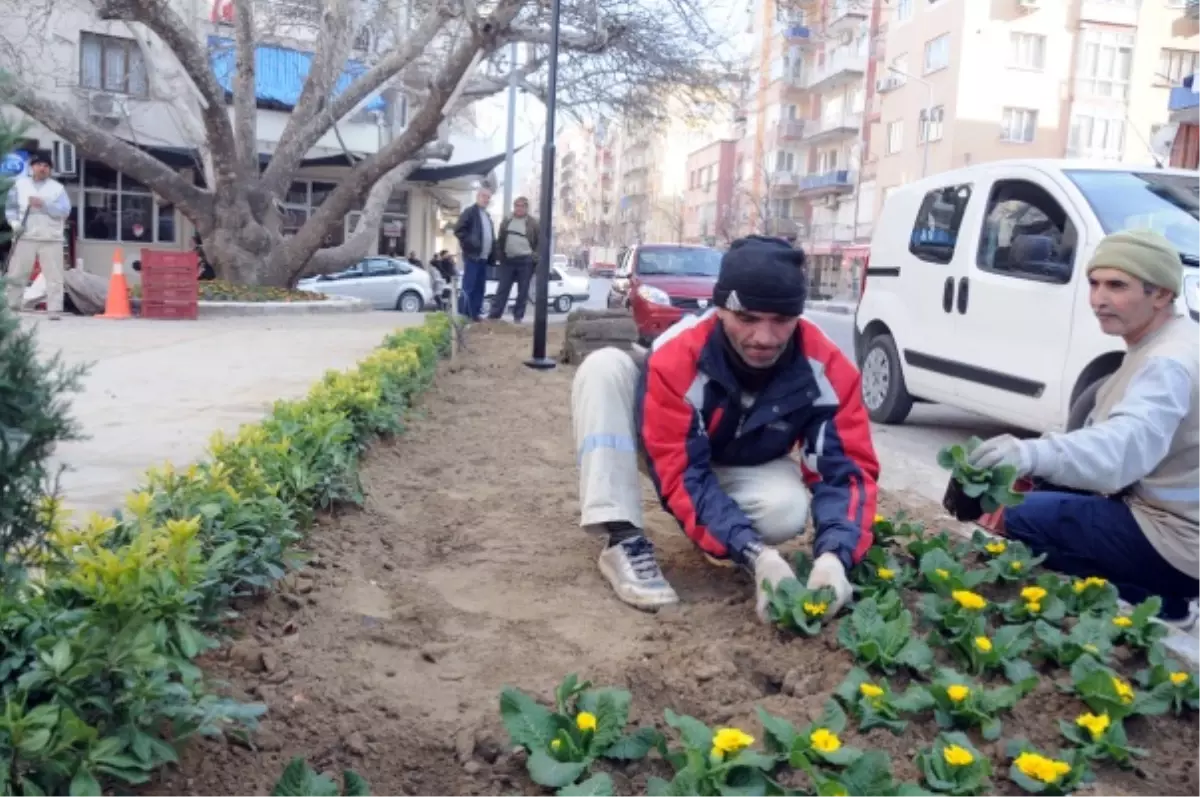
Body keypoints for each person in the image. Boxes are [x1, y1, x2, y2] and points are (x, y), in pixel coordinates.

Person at [570, 235, 880, 621]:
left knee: (786, 511)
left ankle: (720, 531)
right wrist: (756, 555)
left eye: (781, 321)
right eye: (747, 318)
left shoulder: (827, 368)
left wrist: (836, 557)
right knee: (603, 368)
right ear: (720, 308)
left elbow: (846, 472)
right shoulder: (677, 356)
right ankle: (622, 537)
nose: (764, 338)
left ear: (798, 316)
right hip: (663, 446)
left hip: (740, 458)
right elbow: (681, 472)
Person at [970, 229, 1200, 627]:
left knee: (1013, 516)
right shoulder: (1173, 340)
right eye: (1094, 283)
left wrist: (1029, 454)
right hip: (1172, 520)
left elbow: (1123, 449)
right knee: (1044, 492)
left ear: (1161, 294)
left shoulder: (1167, 363)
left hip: (1175, 540)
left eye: (1116, 286)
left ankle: (1156, 601)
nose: (1098, 299)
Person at [5, 151, 70, 319]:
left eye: (46, 166)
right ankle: (12, 305)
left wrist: (45, 205)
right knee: (17, 273)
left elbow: (65, 210)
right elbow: (10, 208)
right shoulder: (20, 185)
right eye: (39, 165)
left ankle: (55, 309)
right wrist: (14, 224)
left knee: (54, 276)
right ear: (32, 167)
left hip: (51, 238)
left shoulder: (57, 188)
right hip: (25, 236)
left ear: (50, 170)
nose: (43, 168)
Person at [487, 196, 539, 322]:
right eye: (517, 206)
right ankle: (494, 316)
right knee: (502, 289)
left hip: (526, 261)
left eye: (522, 206)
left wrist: (535, 258)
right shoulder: (507, 221)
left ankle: (518, 317)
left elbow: (539, 242)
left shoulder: (533, 223)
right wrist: (500, 255)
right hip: (508, 260)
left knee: (523, 291)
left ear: (527, 208)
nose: (519, 208)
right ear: (514, 207)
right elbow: (500, 240)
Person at [453, 186, 496, 321]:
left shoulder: (487, 215)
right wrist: (471, 243)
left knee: (480, 288)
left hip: (483, 258)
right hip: (473, 257)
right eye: (484, 196)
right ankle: (463, 315)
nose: (486, 199)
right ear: (478, 196)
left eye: (488, 197)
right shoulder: (470, 212)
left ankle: (475, 314)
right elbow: (458, 230)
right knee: (469, 286)